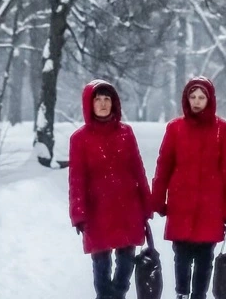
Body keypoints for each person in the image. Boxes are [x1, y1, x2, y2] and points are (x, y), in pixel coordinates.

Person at [150, 76, 226, 299]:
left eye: (202, 97)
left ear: (210, 100)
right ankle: (181, 293)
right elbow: (163, 167)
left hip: (211, 208)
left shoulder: (223, 130)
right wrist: (158, 201)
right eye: (193, 97)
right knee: (180, 255)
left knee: (205, 258)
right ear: (186, 99)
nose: (197, 101)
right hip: (181, 204)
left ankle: (198, 295)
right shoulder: (175, 128)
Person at [69, 80, 152, 299]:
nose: (103, 104)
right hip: (97, 211)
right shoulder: (80, 139)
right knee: (101, 269)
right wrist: (78, 213)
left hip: (128, 208)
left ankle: (118, 295)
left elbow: (138, 169)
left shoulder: (126, 133)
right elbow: (76, 179)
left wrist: (147, 204)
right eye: (98, 100)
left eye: (107, 100)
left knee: (126, 265)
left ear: (114, 103)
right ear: (90, 104)